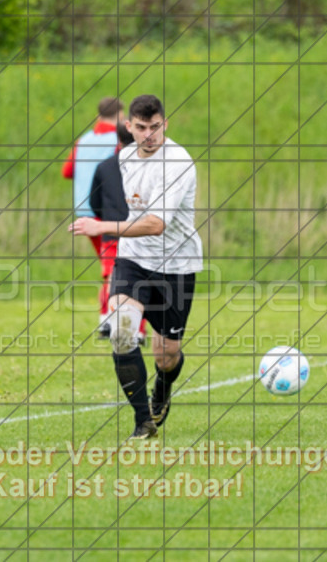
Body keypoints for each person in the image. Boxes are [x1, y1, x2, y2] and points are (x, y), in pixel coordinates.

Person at [70, 94, 202, 441]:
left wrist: (102, 227)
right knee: (122, 331)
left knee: (166, 355)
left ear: (165, 125)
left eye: (155, 127)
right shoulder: (124, 157)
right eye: (141, 128)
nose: (148, 135)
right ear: (130, 127)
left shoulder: (178, 163)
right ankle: (144, 421)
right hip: (133, 260)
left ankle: (163, 389)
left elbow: (156, 223)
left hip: (176, 263)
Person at [64, 97, 124, 333]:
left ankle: (105, 317)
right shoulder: (118, 140)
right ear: (120, 115)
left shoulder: (83, 140)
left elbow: (67, 171)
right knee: (114, 267)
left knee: (109, 266)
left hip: (84, 210)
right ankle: (109, 317)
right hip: (107, 210)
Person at [88, 121, 147, 342]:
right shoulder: (148, 166)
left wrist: (106, 220)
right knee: (140, 282)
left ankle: (107, 320)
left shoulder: (104, 167)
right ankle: (138, 330)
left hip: (111, 234)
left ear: (118, 139)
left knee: (112, 279)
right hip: (140, 234)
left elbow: (94, 202)